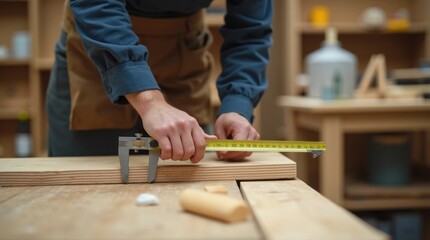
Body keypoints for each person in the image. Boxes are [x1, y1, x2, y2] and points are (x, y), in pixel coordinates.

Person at [46, 0, 273, 163]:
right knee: (84, 191)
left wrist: (237, 105)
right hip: (99, 50)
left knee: (187, 189)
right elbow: (97, 5)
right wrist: (150, 101)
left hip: (183, 55)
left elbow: (250, 29)